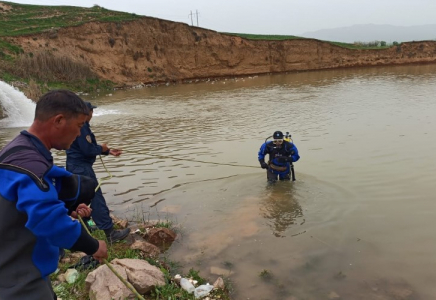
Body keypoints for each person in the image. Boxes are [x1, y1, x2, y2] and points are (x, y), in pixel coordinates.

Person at [0, 90, 108, 300]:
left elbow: (21, 203)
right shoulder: (30, 164)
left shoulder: (18, 150)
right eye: (78, 126)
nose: (78, 134)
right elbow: (48, 221)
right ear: (58, 120)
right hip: (20, 277)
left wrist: (67, 208)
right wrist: (94, 246)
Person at [66, 101, 130, 243]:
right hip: (81, 168)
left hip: (75, 167)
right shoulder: (81, 127)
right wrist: (102, 149)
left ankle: (89, 227)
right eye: (91, 111)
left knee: (82, 200)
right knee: (95, 198)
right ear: (85, 113)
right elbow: (87, 150)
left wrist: (108, 151)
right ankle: (110, 233)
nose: (92, 114)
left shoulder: (81, 125)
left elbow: (89, 147)